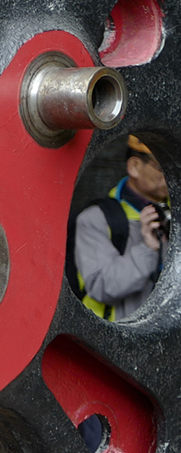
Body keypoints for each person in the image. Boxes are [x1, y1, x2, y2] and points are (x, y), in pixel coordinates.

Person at [74, 134, 168, 323]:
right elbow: (101, 287)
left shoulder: (173, 215)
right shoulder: (96, 219)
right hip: (117, 334)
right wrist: (148, 249)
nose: (171, 174)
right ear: (135, 166)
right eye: (162, 167)